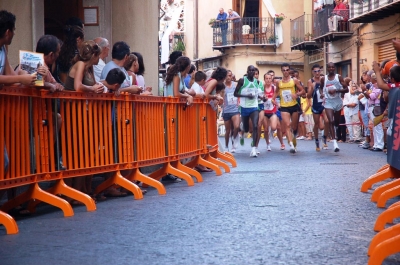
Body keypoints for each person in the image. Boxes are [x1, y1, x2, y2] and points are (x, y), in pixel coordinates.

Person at [272, 63, 305, 154]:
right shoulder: (279, 82)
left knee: (294, 127)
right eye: (284, 70)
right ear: (281, 71)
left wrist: (296, 94)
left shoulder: (294, 80)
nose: (285, 72)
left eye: (287, 70)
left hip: (294, 105)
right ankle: (291, 144)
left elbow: (303, 90)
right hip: (284, 106)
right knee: (287, 125)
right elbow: (276, 92)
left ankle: (293, 137)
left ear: (289, 70)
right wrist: (273, 99)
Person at [234, 65, 263, 157]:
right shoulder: (242, 80)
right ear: (247, 71)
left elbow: (257, 94)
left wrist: (263, 98)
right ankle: (243, 126)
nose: (251, 72)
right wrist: (246, 96)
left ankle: (254, 149)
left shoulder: (257, 82)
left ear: (255, 72)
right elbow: (235, 93)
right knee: (247, 129)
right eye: (250, 70)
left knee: (255, 126)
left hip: (254, 107)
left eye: (253, 70)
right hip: (244, 107)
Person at [320, 62, 349, 152]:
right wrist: (322, 94)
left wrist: (336, 90)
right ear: (327, 69)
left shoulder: (338, 77)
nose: (331, 69)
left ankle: (331, 132)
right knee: (331, 121)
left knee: (336, 122)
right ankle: (335, 143)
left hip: (337, 102)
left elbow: (346, 89)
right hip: (328, 102)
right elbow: (320, 88)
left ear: (334, 68)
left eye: (333, 67)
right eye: (329, 67)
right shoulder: (323, 79)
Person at [307, 64, 329, 151]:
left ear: (321, 71)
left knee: (327, 121)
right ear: (312, 72)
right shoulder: (310, 81)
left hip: (324, 103)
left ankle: (324, 138)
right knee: (317, 125)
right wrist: (312, 88)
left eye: (318, 71)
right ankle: (316, 140)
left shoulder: (324, 79)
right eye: (315, 71)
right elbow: (308, 96)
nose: (317, 73)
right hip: (316, 104)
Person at [222, 70, 240, 152]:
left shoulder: (235, 85)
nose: (228, 77)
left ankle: (234, 140)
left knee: (236, 126)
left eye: (230, 75)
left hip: (235, 109)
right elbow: (221, 97)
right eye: (227, 76)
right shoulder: (222, 86)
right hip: (226, 110)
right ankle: (226, 146)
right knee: (228, 130)